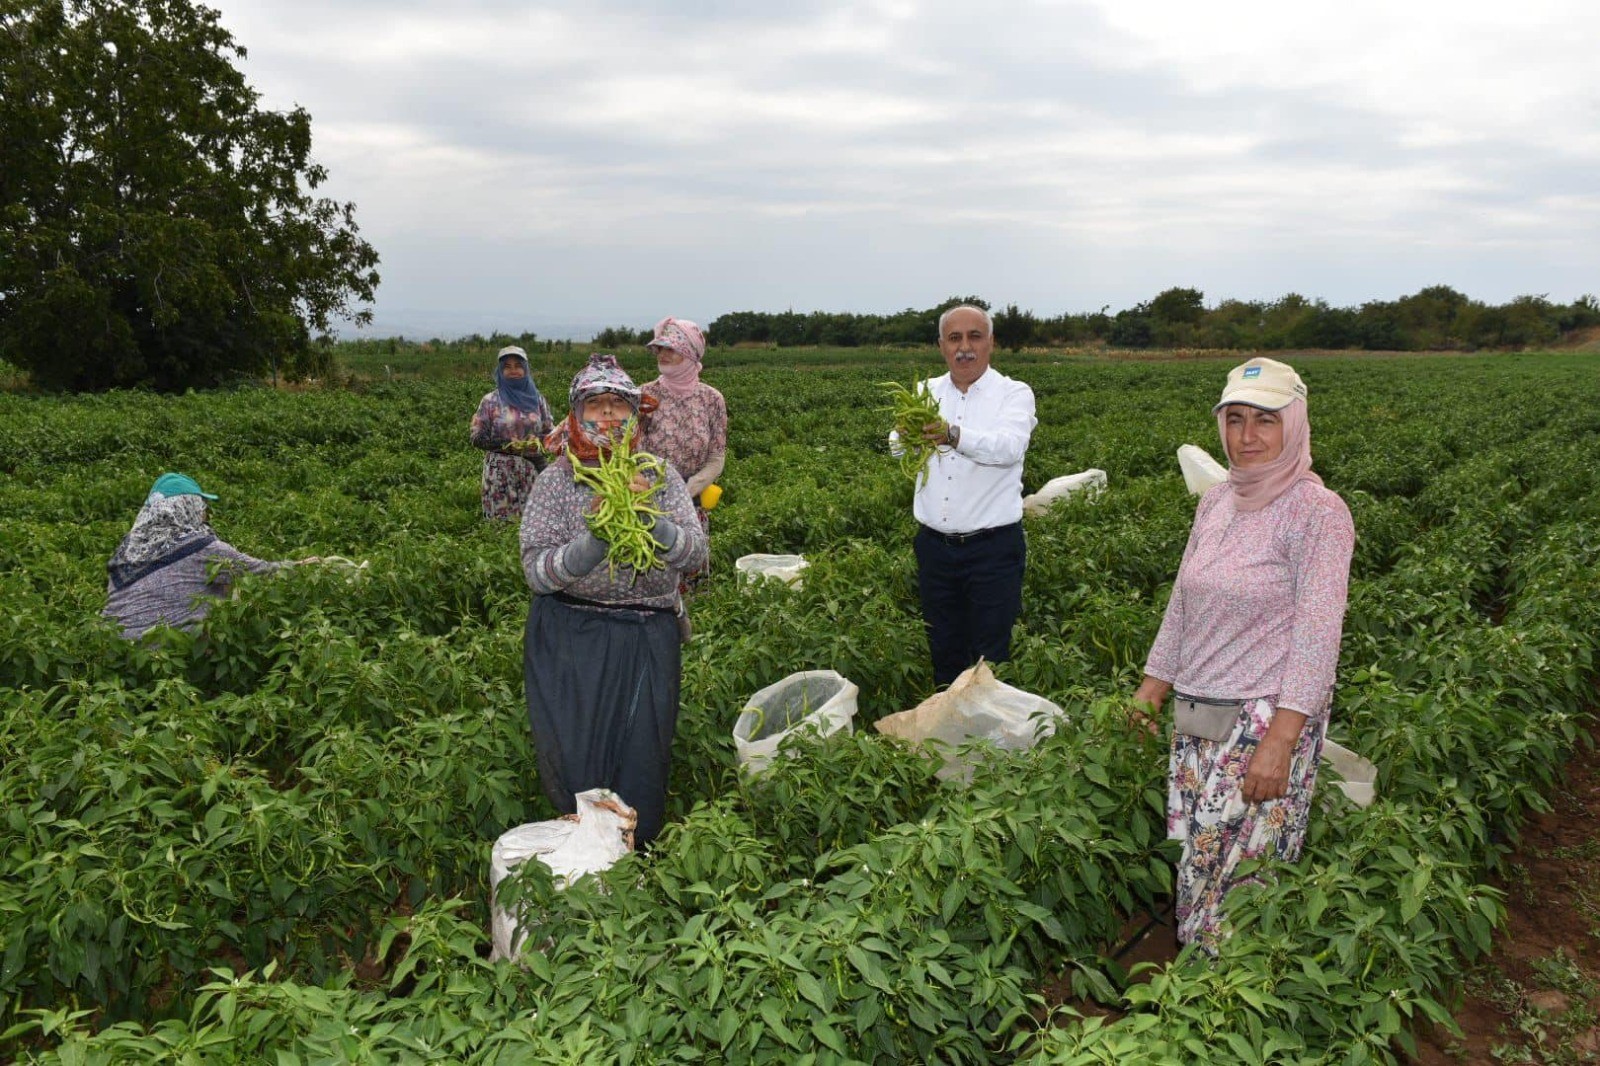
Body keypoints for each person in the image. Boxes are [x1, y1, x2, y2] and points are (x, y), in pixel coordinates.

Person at [1130, 357, 1355, 953]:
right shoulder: (1216, 501)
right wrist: (1152, 687)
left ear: (1295, 426)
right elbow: (1182, 599)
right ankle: (1200, 985)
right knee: (1198, 850)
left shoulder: (1319, 512)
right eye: (1234, 419)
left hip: (1261, 720)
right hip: (1199, 709)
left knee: (1239, 872)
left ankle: (1219, 995)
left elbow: (1318, 633)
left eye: (1265, 420)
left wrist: (1280, 741)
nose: (1247, 437)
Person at [519, 353, 709, 846]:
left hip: (648, 636)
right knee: (576, 755)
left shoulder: (659, 476)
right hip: (571, 639)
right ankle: (585, 856)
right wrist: (595, 540)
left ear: (635, 415)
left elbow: (696, 554)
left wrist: (649, 520)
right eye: (596, 404)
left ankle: (635, 859)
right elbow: (537, 572)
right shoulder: (557, 481)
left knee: (642, 756)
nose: (607, 415)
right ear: (576, 413)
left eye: (618, 406)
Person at [892, 304, 1037, 687]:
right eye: (954, 338)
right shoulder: (926, 392)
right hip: (935, 548)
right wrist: (903, 435)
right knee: (944, 649)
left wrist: (950, 434)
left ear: (991, 343)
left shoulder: (1013, 394)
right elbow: (896, 448)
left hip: (993, 549)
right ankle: (951, 735)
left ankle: (990, 740)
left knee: (991, 656)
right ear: (941, 346)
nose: (964, 347)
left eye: (975, 336)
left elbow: (1009, 448)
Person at [103, 473, 321, 639]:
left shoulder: (129, 548)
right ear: (187, 507)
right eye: (202, 506)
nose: (205, 513)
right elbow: (261, 573)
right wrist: (303, 566)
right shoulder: (203, 548)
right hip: (166, 650)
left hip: (112, 644)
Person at [637, 317, 726, 586]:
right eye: (659, 349)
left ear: (689, 354)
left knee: (690, 576)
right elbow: (631, 450)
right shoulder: (644, 396)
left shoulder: (711, 399)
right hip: (649, 501)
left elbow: (716, 456)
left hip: (693, 502)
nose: (662, 355)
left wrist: (690, 488)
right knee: (650, 576)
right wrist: (656, 491)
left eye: (670, 349)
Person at [470, 345, 554, 520]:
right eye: (507, 366)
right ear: (500, 371)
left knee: (534, 524)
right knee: (501, 527)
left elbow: (549, 432)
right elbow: (476, 437)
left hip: (532, 469)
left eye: (518, 366)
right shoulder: (490, 401)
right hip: (500, 474)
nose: (513, 370)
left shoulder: (537, 399)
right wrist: (506, 445)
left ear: (525, 369)